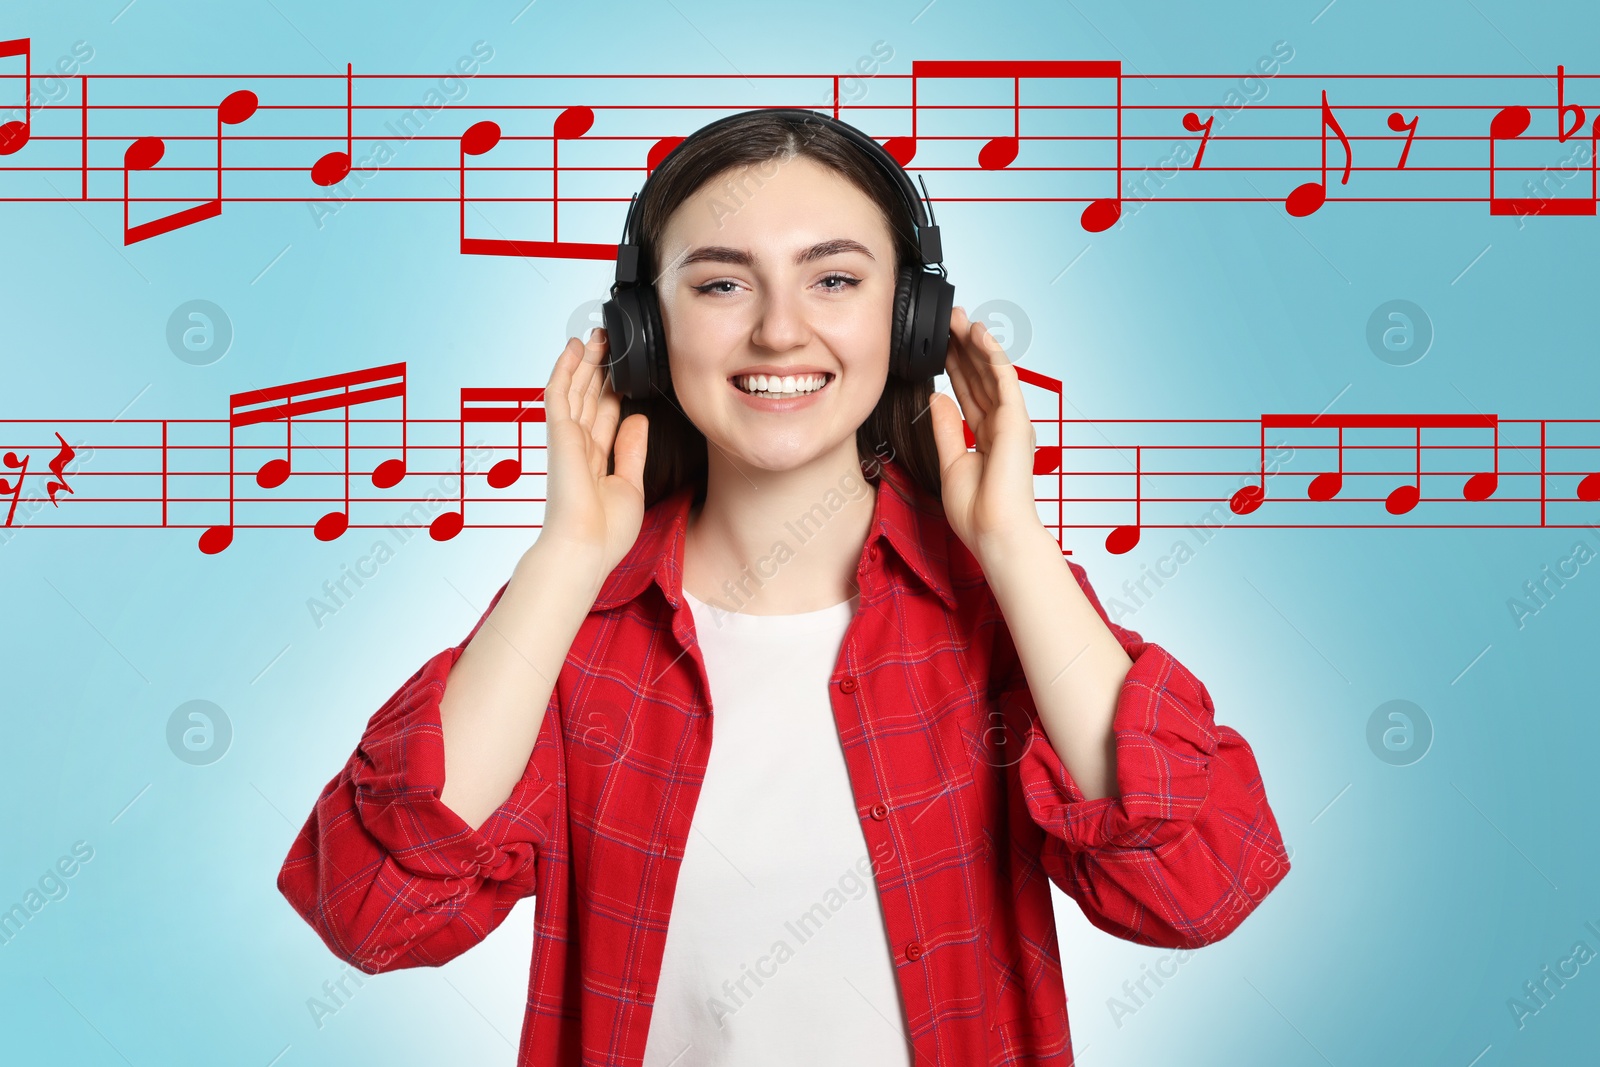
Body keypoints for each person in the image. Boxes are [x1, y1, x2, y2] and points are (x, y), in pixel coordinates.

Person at [276, 108, 1291, 1067]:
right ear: (642, 331)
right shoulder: (574, 622)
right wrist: (561, 560)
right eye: (721, 285)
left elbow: (1193, 888)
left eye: (834, 280)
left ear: (911, 323)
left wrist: (1013, 542)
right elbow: (375, 914)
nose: (776, 333)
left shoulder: (1003, 606)